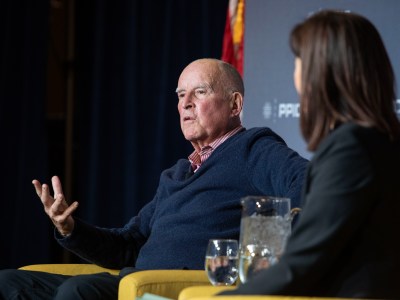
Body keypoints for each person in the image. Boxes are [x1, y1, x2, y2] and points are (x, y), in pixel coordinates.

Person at [0, 58, 308, 300]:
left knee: (77, 292)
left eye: (199, 92)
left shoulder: (253, 148)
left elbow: (309, 183)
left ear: (235, 105)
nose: (185, 103)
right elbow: (128, 246)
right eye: (180, 94)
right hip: (133, 282)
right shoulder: (177, 173)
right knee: (9, 282)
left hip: (178, 288)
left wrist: (262, 250)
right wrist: (69, 229)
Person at [220, 10, 400, 299]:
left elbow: (301, 265)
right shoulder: (383, 141)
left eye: (298, 62)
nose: (295, 74)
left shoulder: (350, 149)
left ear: (320, 71)